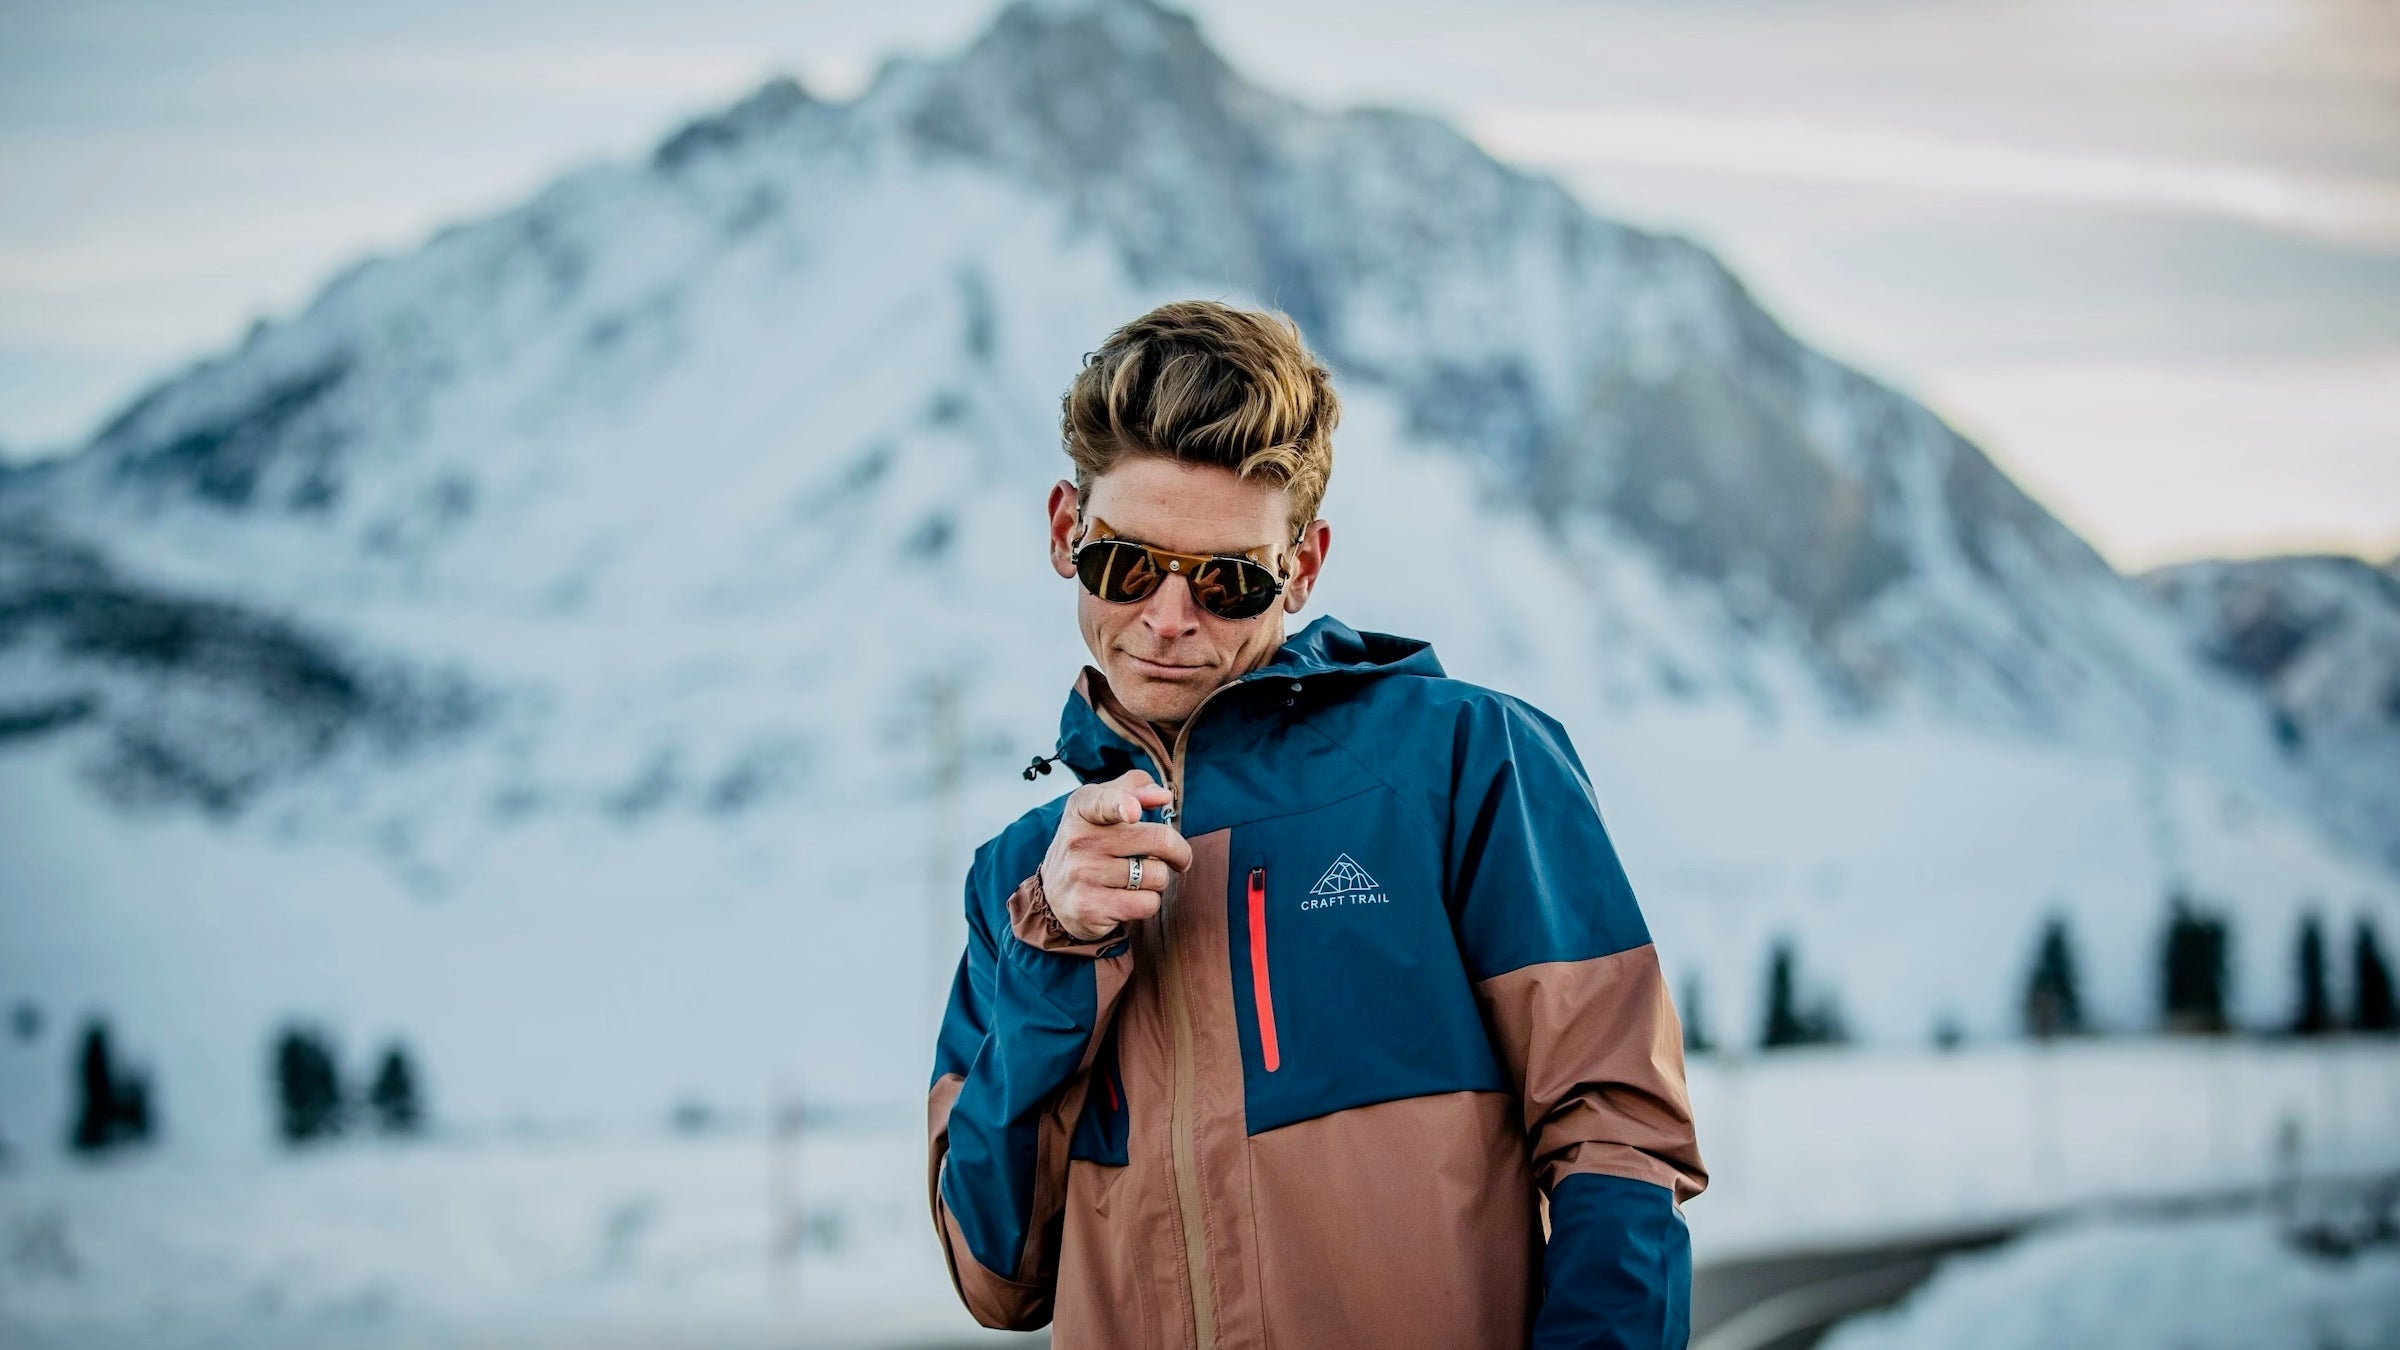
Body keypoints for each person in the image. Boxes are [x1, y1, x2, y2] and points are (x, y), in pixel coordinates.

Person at [926, 299, 1706, 1349]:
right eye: (1126, 563)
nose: (1167, 616)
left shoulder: (1466, 763)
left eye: (1230, 582)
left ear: (1301, 566)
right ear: (1067, 532)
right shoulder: (1022, 885)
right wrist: (1059, 951)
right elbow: (995, 1274)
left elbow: (1620, 1141)